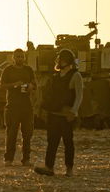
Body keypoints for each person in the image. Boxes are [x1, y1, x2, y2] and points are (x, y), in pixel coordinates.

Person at [34, 48, 82, 177]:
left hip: (66, 116)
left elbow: (79, 96)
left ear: (66, 61)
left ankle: (69, 169)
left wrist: (73, 112)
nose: (58, 61)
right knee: (52, 142)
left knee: (68, 142)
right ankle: (49, 167)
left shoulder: (75, 75)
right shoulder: (55, 77)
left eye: (60, 59)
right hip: (54, 114)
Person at [0, 49, 36, 165]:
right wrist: (14, 84)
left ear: (24, 58)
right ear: (13, 58)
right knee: (11, 134)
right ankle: (8, 159)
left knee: (27, 134)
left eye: (22, 56)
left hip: (26, 105)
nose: (20, 58)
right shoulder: (8, 70)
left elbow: (35, 84)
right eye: (18, 56)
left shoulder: (28, 70)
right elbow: (1, 85)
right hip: (12, 106)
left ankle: (26, 159)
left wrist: (30, 86)